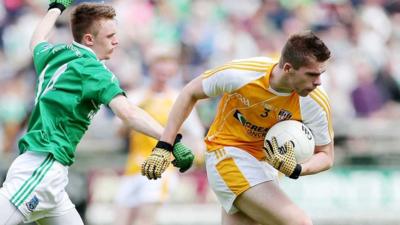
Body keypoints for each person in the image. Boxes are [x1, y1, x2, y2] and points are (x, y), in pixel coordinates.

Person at [0, 2, 191, 225]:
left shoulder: (54, 54)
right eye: (110, 36)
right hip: (41, 168)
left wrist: (56, 7)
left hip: (50, 172)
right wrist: (170, 140)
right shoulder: (95, 71)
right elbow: (128, 112)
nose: (116, 41)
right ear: (89, 39)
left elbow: (36, 41)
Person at [142, 30, 334, 225]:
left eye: (321, 74)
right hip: (227, 154)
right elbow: (189, 92)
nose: (318, 82)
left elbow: (326, 155)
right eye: (312, 75)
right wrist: (164, 145)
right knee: (300, 222)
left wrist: (298, 169)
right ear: (287, 68)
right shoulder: (242, 74)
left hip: (265, 167)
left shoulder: (315, 100)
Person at [113, 45, 205, 225]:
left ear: (174, 69)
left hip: (161, 169)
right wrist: (135, 116)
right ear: (151, 66)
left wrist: (194, 159)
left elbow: (196, 135)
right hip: (133, 168)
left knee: (145, 221)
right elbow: (119, 131)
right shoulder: (136, 97)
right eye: (159, 63)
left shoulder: (179, 100)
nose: (163, 68)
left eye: (168, 63)